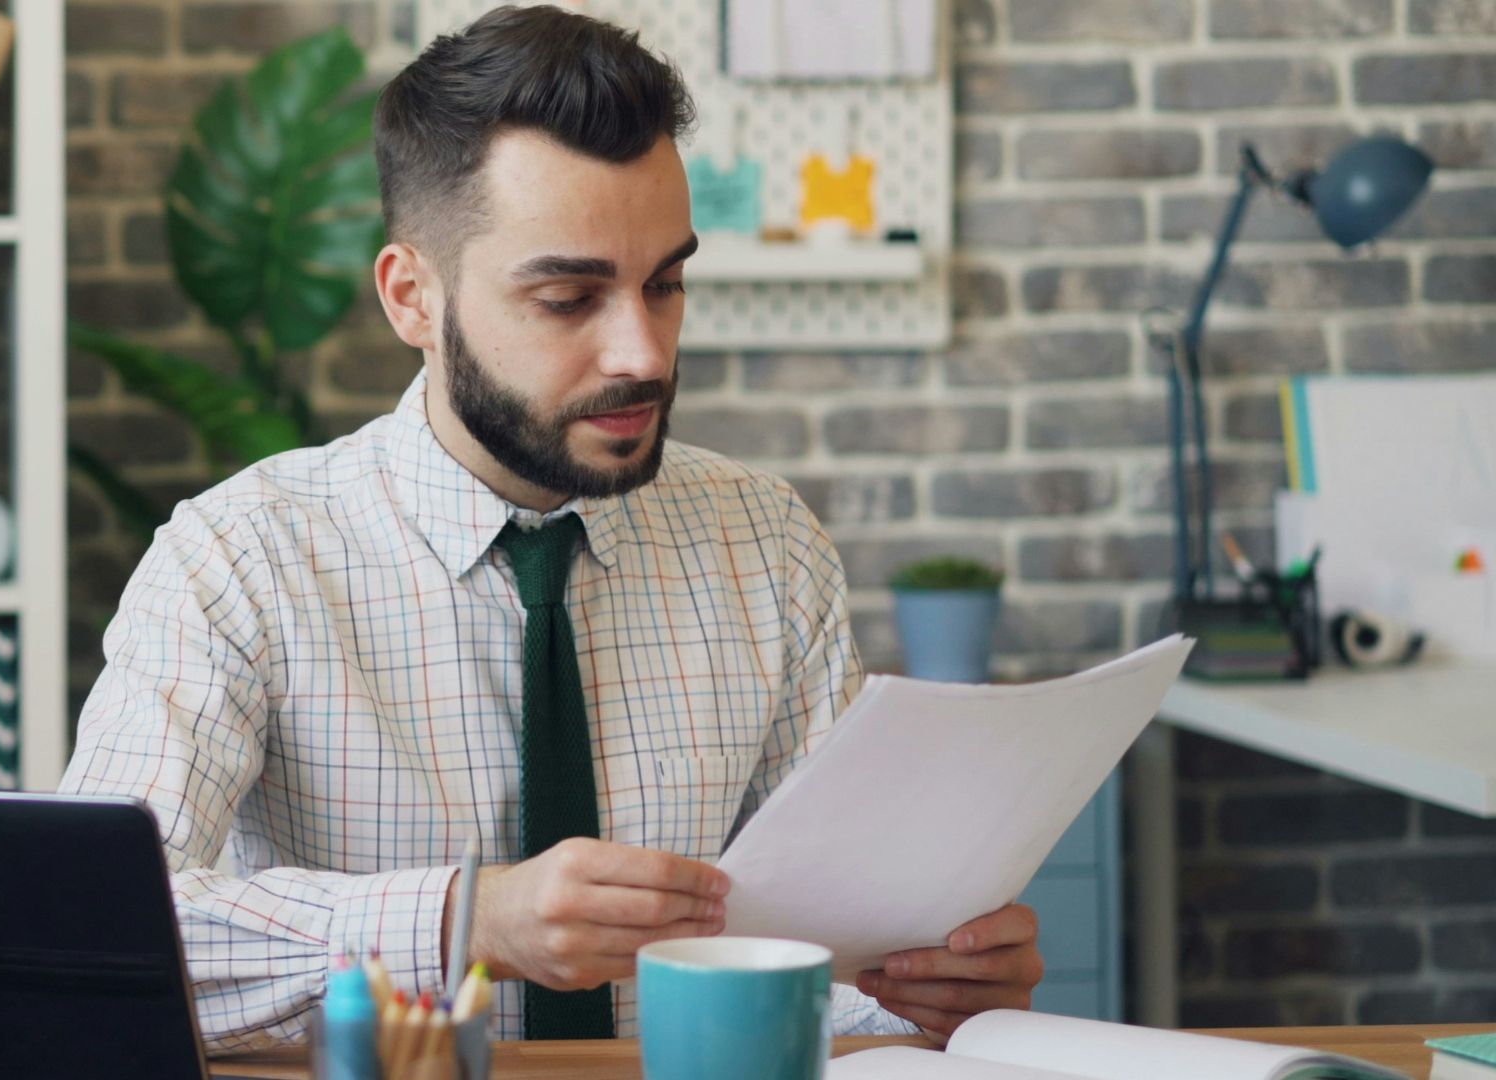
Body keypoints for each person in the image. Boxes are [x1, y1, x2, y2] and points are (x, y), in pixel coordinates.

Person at [61, 3, 1042, 1053]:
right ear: (412, 300)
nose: (643, 353)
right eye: (571, 298)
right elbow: (89, 929)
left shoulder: (768, 545)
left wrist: (919, 982)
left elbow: (821, 949)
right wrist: (465, 921)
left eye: (664, 283)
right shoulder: (239, 559)